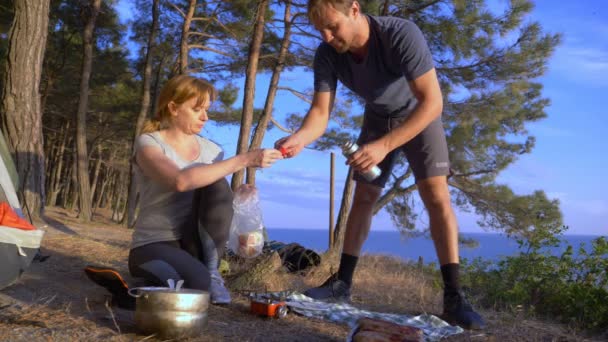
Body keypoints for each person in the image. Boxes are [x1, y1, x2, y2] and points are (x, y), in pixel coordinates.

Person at [275, 0, 484, 330]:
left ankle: (455, 297)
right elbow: (319, 114)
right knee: (364, 196)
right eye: (320, 30)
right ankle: (341, 283)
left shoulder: (400, 34)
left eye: (333, 27)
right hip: (378, 118)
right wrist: (299, 138)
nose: (327, 37)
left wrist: (384, 146)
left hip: (419, 116)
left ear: (354, 10)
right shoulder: (327, 54)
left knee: (435, 194)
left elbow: (433, 102)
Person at [130, 75, 283, 305]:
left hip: (194, 243)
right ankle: (153, 283)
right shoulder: (149, 143)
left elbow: (213, 200)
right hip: (154, 243)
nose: (205, 117)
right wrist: (244, 159)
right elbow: (179, 181)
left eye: (207, 109)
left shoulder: (212, 151)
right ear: (173, 108)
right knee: (195, 286)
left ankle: (212, 272)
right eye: (197, 109)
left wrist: (238, 200)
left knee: (218, 183)